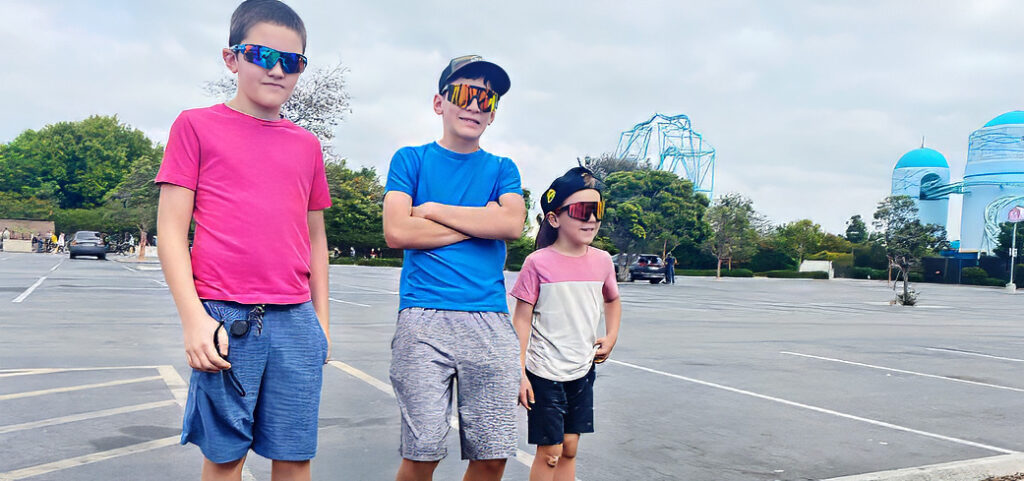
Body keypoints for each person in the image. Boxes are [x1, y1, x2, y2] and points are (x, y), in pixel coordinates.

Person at [155, 1, 331, 480]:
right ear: (232, 58)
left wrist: (321, 324)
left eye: (291, 61)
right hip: (225, 316)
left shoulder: (307, 145)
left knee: (295, 457)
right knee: (225, 457)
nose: (277, 70)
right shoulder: (194, 126)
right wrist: (194, 319)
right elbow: (170, 230)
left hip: (296, 319)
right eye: (262, 55)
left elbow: (315, 238)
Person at [383, 54, 525, 481]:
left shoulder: (503, 168)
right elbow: (396, 231)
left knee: (492, 453)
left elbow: (513, 224)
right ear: (439, 103)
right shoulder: (410, 160)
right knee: (422, 450)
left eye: (487, 98)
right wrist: (481, 223)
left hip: (490, 319)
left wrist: (432, 211)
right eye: (464, 93)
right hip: (423, 318)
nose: (476, 105)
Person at [510, 166, 622, 481]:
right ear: (554, 217)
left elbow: (612, 300)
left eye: (597, 210)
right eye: (582, 210)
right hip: (544, 373)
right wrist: (519, 372)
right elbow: (521, 320)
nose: (591, 219)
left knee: (570, 447)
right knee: (550, 453)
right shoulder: (537, 263)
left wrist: (611, 336)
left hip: (582, 369)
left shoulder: (602, 261)